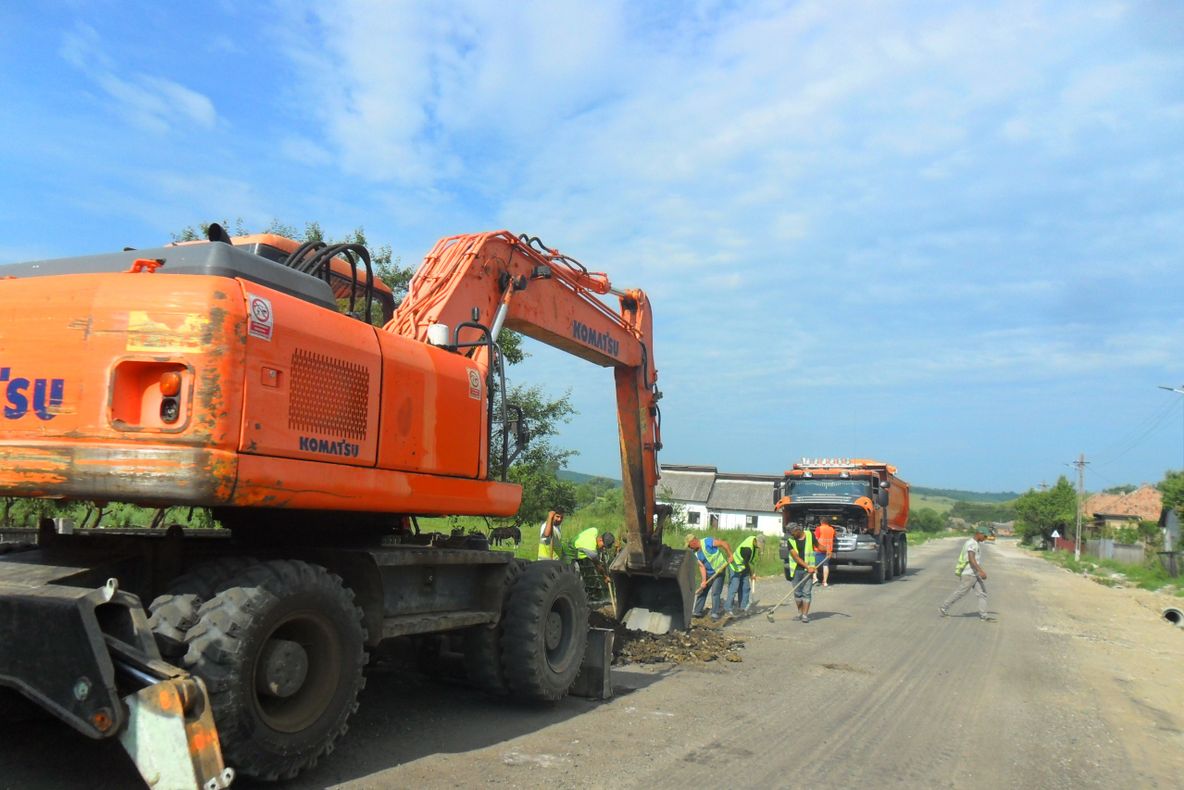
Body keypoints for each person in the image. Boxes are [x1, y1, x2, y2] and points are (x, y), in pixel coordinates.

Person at [939, 527, 993, 621]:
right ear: (979, 533)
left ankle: (984, 616)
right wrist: (981, 571)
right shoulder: (971, 543)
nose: (985, 538)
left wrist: (978, 572)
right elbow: (971, 559)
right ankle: (944, 607)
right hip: (969, 574)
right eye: (985, 536)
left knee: (982, 593)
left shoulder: (975, 543)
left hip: (974, 574)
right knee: (961, 592)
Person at [686, 534, 734, 621]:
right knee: (702, 590)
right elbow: (702, 567)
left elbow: (724, 544)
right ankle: (697, 612)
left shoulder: (707, 542)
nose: (689, 547)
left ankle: (714, 613)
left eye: (689, 545)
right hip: (708, 573)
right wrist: (703, 581)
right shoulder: (695, 553)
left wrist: (730, 555)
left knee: (715, 592)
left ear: (693, 541)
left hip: (720, 570)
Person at [725, 533, 766, 617]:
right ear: (756, 541)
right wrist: (751, 575)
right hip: (735, 567)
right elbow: (746, 564)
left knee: (746, 588)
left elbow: (751, 561)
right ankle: (727, 609)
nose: (759, 547)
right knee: (734, 588)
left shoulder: (753, 539)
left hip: (743, 567)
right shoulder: (747, 549)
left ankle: (743, 608)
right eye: (759, 545)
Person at [785, 524, 817, 623]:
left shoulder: (810, 535)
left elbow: (818, 545)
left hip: (808, 571)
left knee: (806, 593)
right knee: (797, 593)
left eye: (792, 533)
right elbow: (796, 557)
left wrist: (827, 550)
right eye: (790, 533)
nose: (791, 535)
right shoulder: (790, 541)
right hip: (796, 570)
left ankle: (805, 615)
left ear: (797, 530)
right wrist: (808, 567)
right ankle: (799, 612)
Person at [813, 519, 836, 587]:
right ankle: (825, 582)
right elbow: (834, 536)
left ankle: (815, 578)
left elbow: (816, 538)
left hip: (819, 549)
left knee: (814, 565)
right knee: (825, 566)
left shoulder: (819, 528)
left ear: (821, 522)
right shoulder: (832, 529)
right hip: (828, 550)